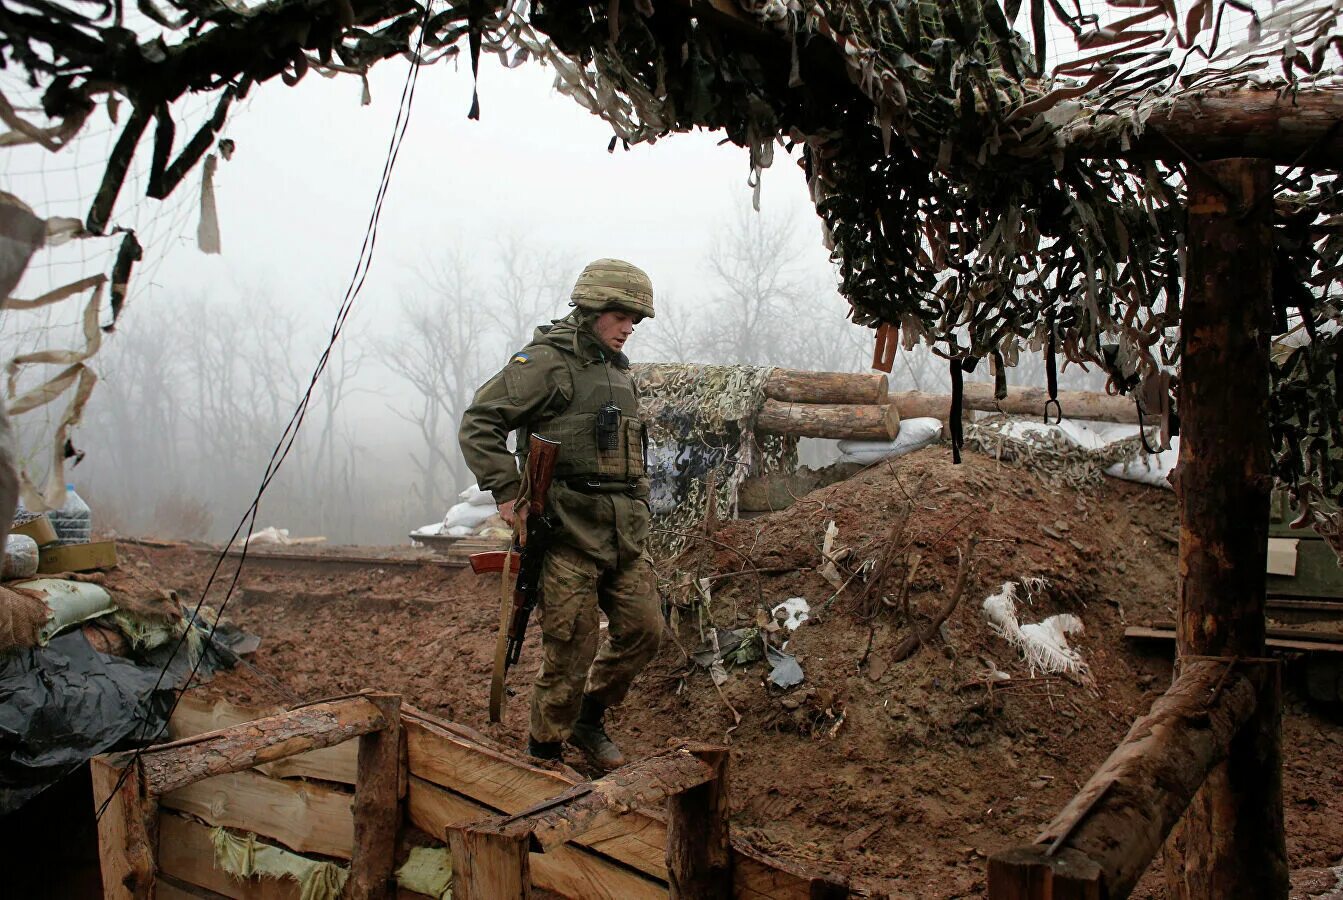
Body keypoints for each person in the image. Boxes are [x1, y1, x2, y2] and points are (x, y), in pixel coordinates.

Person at [458, 258, 661, 769]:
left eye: (636, 318)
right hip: (566, 528)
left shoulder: (617, 369)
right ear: (593, 309)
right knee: (570, 646)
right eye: (621, 315)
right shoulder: (548, 362)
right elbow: (480, 422)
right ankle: (545, 751)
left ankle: (589, 720)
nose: (629, 327)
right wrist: (507, 493)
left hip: (623, 532)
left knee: (644, 631)